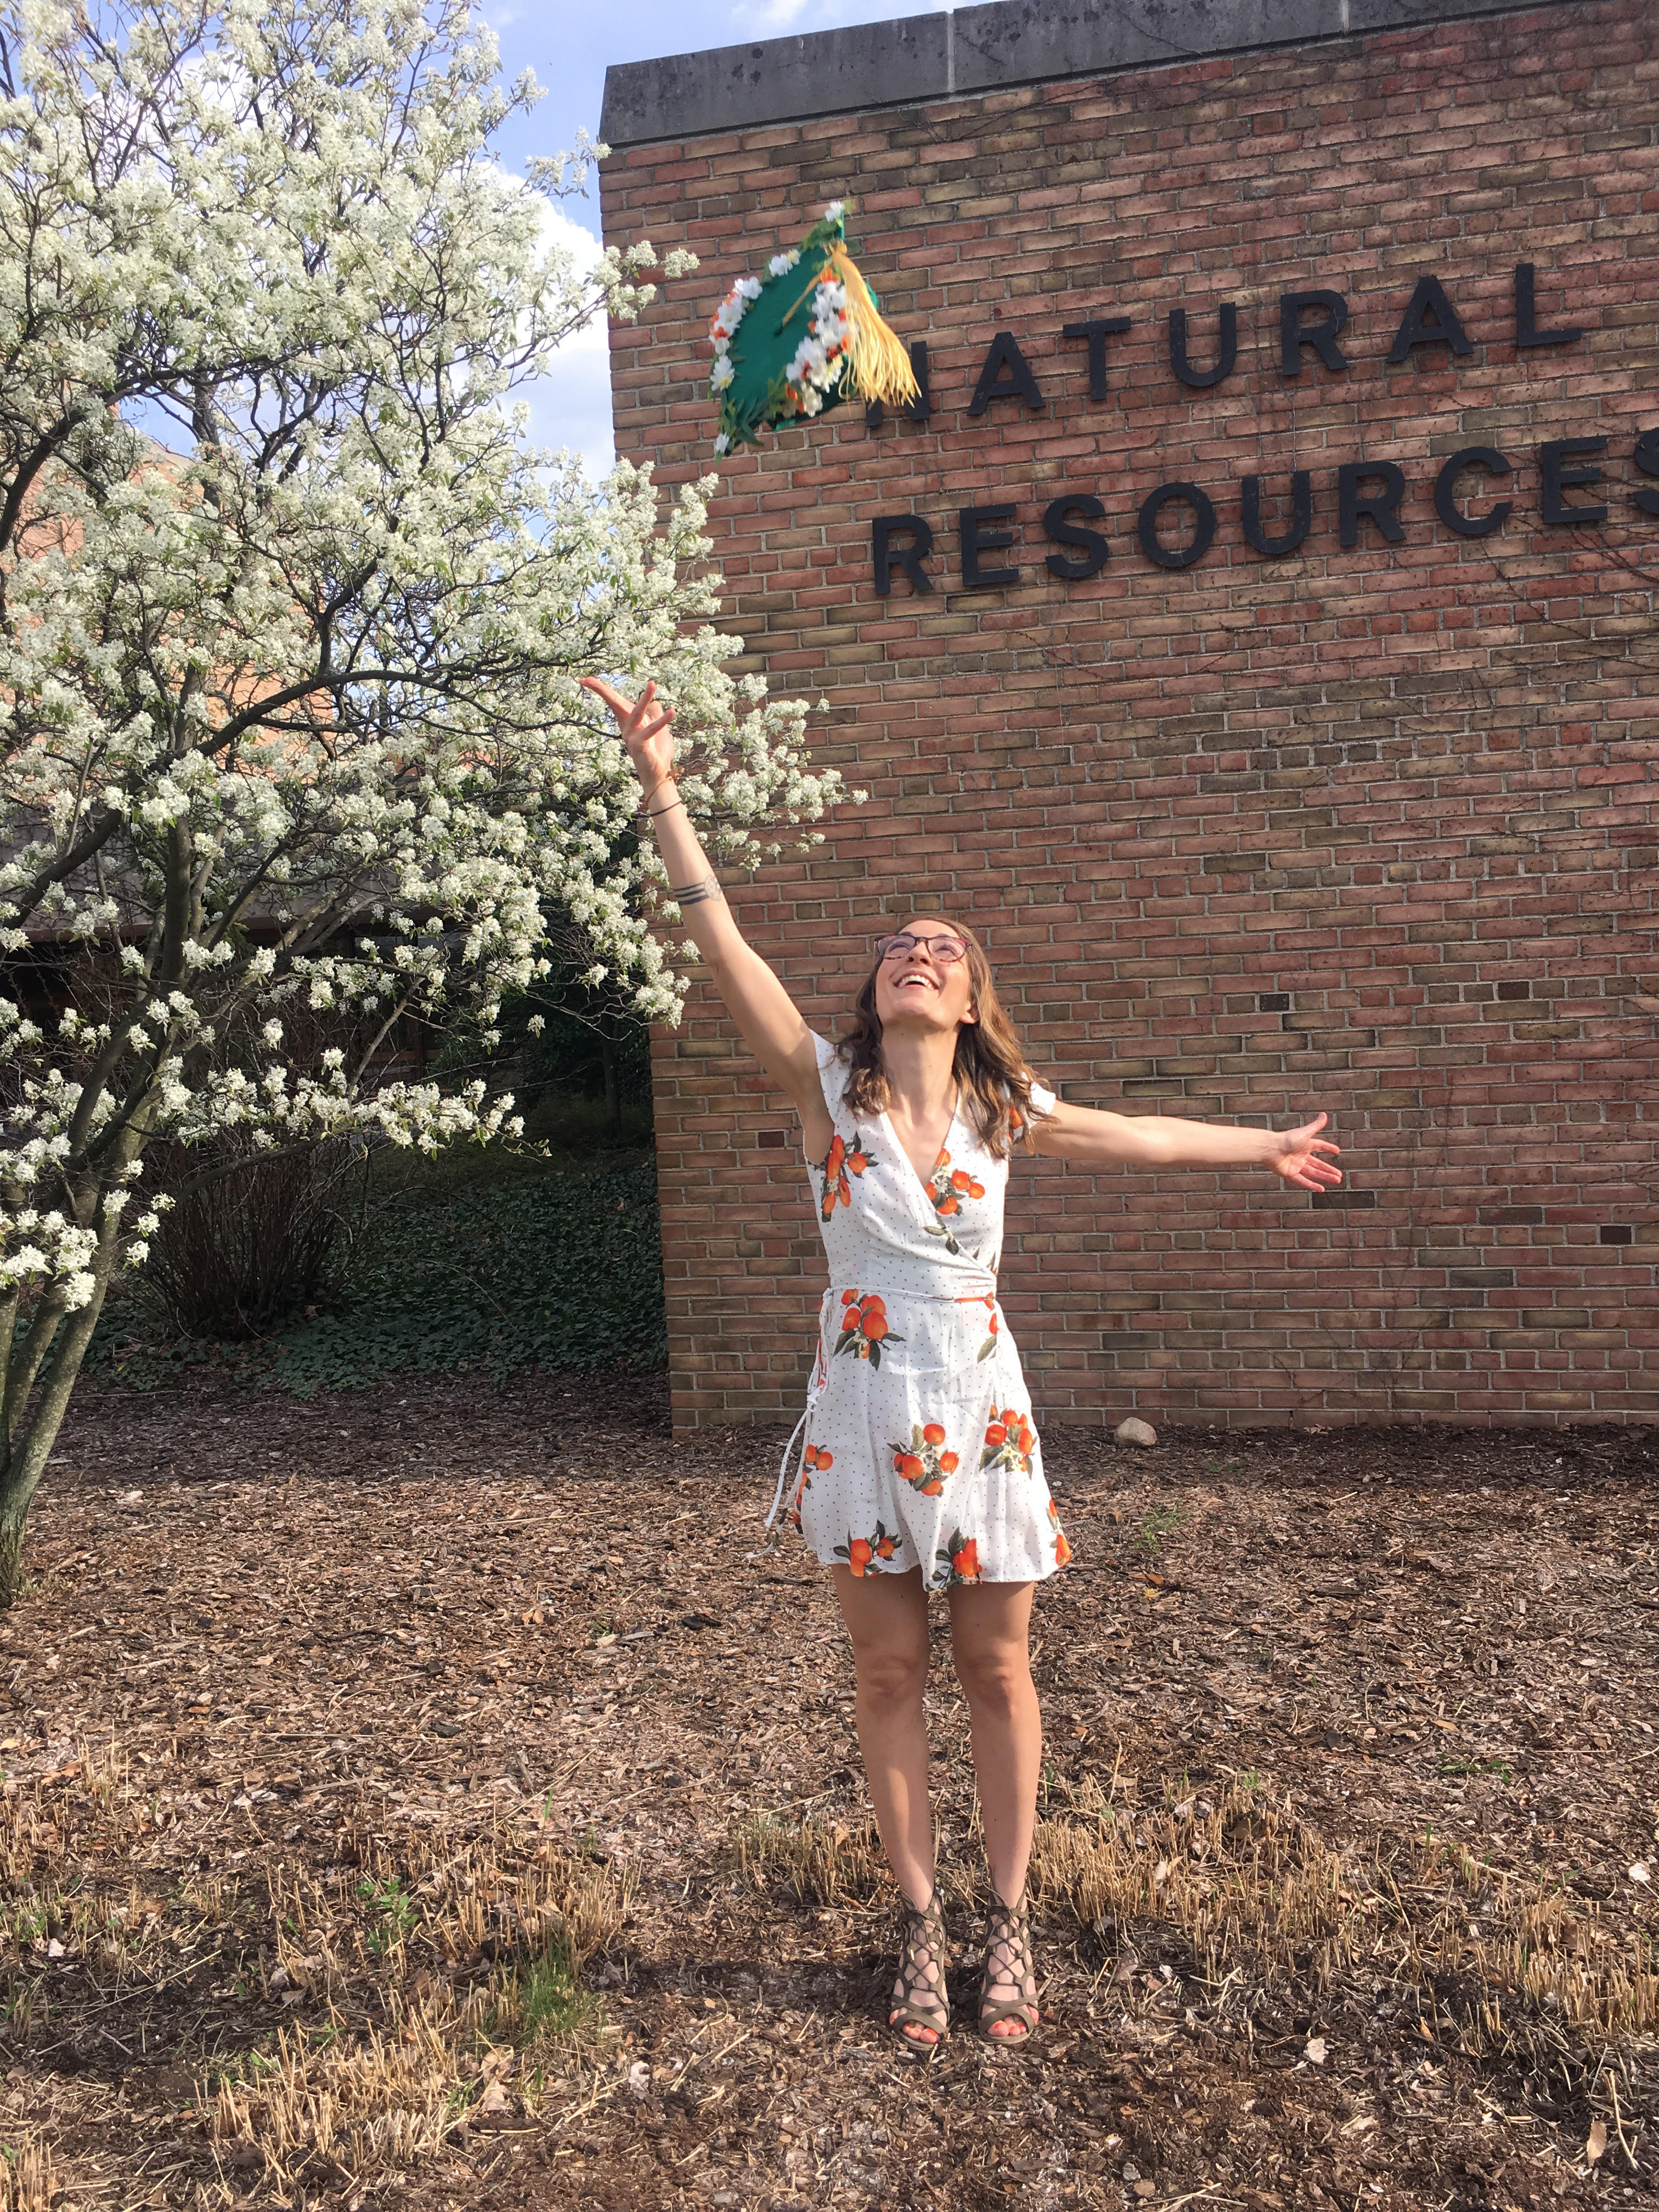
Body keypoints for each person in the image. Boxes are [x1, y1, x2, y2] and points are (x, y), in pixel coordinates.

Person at [580, 677, 1343, 2053]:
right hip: (863, 1411)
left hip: (982, 1409)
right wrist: (662, 792)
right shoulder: (828, 1092)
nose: (916, 952)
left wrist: (1263, 1147)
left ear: (975, 994)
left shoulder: (1005, 1111)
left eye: (943, 945)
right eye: (896, 943)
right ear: (875, 994)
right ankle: (920, 1927)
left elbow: (1138, 1138)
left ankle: (1010, 1918)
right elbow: (725, 945)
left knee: (997, 1671)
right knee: (886, 1678)